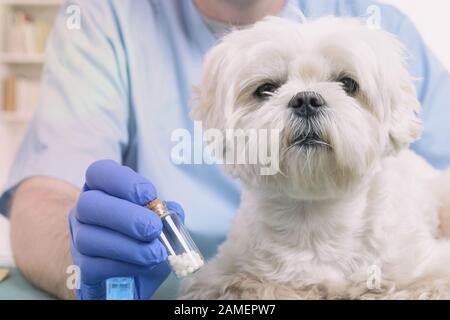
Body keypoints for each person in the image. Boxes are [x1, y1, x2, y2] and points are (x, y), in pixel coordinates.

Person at [1, 0, 450, 300]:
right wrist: (80, 252)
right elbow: (46, 190)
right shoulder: (106, 16)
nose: (307, 101)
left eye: (346, 85)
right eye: (266, 88)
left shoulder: (375, 22)